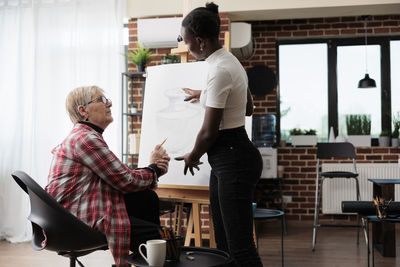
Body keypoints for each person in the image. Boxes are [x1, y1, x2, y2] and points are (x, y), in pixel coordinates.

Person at [175, 3, 263, 267]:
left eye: (186, 41)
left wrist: (192, 156)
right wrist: (204, 96)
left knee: (241, 248)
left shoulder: (218, 70)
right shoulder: (229, 61)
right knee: (225, 245)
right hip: (231, 158)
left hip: (232, 157)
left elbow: (209, 131)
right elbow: (246, 107)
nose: (185, 47)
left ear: (200, 41)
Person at [46, 86, 170, 267]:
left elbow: (120, 176)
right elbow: (125, 181)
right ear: (83, 111)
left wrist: (152, 169)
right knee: (155, 236)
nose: (109, 103)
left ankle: (144, 255)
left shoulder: (84, 136)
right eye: (102, 100)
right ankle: (150, 250)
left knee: (146, 198)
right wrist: (155, 170)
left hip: (71, 213)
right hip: (72, 221)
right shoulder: (85, 139)